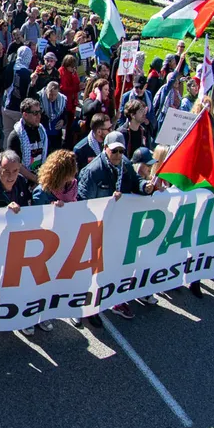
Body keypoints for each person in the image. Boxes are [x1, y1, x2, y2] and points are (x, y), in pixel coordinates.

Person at [76, 132, 158, 319]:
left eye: (121, 151)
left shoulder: (126, 164)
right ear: (105, 148)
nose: (118, 155)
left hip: (118, 225)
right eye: (114, 151)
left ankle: (113, 300)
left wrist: (144, 186)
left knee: (114, 264)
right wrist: (107, 203)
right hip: (97, 227)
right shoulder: (93, 171)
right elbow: (82, 203)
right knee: (92, 269)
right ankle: (85, 307)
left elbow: (134, 182)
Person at [6, 97, 48, 183]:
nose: (39, 116)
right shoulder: (16, 136)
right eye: (35, 113)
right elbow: (15, 164)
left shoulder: (42, 132)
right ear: (25, 115)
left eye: (40, 112)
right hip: (21, 181)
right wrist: (35, 179)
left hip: (40, 177)